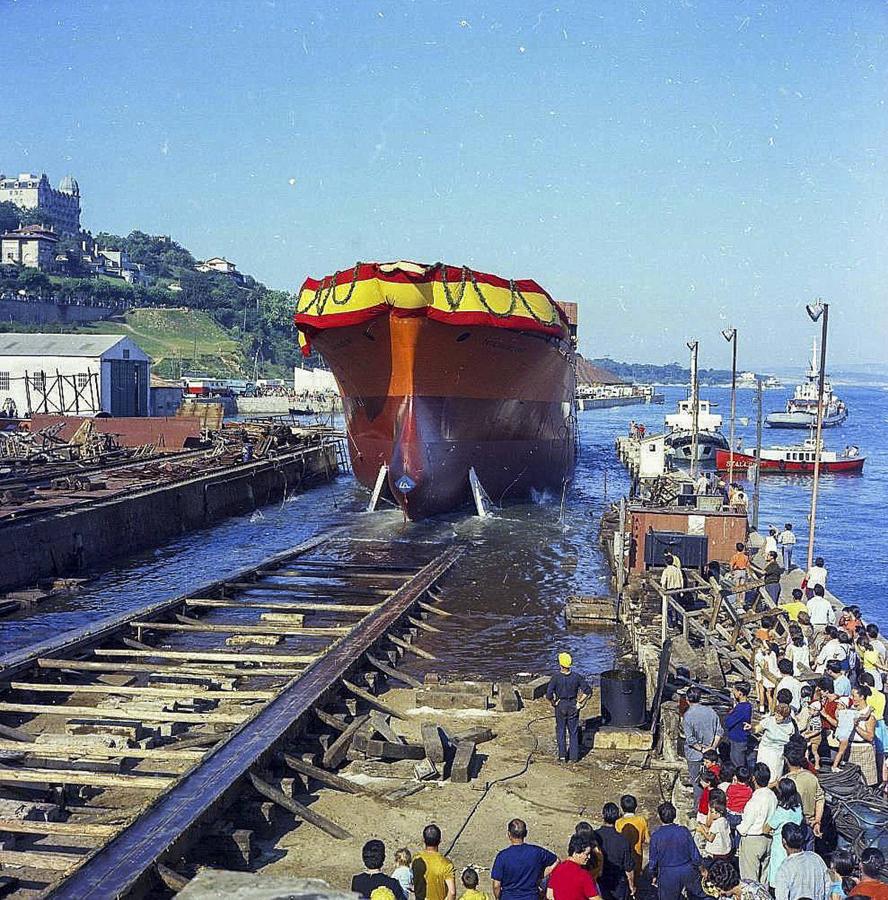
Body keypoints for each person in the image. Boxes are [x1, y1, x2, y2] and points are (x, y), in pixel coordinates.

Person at [646, 801, 704, 900]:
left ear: (660, 817)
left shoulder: (656, 836)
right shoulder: (684, 831)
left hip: (667, 874)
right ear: (675, 815)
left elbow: (653, 862)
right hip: (687, 870)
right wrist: (701, 869)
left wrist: (653, 875)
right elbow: (695, 854)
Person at [491, 819, 558, 900]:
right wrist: (541, 876)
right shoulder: (537, 852)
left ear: (509, 834)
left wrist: (498, 898)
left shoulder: (502, 856)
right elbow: (556, 861)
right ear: (526, 833)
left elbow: (496, 885)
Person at [682, 687, 724, 808]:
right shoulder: (711, 711)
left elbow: (690, 740)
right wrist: (712, 748)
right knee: (714, 783)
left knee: (697, 784)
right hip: (712, 755)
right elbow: (719, 732)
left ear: (687, 699)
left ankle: (699, 810)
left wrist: (702, 749)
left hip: (695, 756)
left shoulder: (688, 716)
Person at [546, 653, 590, 763]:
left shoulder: (556, 678)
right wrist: (580, 702)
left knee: (560, 730)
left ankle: (562, 756)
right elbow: (588, 691)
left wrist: (553, 702)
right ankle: (573, 757)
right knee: (573, 731)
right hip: (573, 705)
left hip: (561, 705)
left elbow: (549, 694)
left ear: (560, 664)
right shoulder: (576, 677)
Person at [737, 762, 777, 883]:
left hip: (753, 839)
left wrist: (738, 827)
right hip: (768, 839)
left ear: (753, 778)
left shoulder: (754, 801)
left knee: (750, 880)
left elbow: (745, 826)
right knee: (764, 878)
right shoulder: (773, 796)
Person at [773, 822, 831, 900]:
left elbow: (781, 897)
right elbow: (828, 887)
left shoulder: (785, 868)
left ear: (784, 841)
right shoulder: (816, 858)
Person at [833, 686, 877, 786]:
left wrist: (855, 726)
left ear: (862, 697)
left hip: (864, 750)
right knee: (851, 782)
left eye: (854, 696)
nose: (852, 698)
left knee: (865, 782)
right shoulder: (851, 710)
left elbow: (870, 736)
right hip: (850, 748)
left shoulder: (870, 716)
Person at [764, 779, 804, 888]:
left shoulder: (781, 812)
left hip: (780, 846)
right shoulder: (798, 808)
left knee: (778, 875)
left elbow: (765, 829)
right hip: (795, 844)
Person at [595, 803, 636, 900]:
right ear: (617, 817)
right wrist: (632, 886)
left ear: (603, 816)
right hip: (618, 883)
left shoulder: (595, 836)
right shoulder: (623, 840)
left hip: (599, 880)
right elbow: (628, 868)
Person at [784, 743, 825, 839]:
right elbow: (820, 799)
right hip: (811, 824)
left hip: (793, 827)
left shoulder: (786, 781)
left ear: (786, 760)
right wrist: (817, 821)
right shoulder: (812, 777)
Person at [546, 835, 599, 900]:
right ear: (576, 853)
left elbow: (549, 895)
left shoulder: (557, 869)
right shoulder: (583, 875)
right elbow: (595, 898)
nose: (589, 857)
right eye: (586, 854)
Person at [752, 703, 795, 779]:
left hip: (778, 753)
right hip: (765, 750)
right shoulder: (769, 720)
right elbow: (757, 729)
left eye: (779, 716)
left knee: (774, 775)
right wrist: (750, 728)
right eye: (776, 714)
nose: (776, 717)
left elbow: (792, 740)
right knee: (761, 773)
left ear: (786, 717)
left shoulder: (790, 726)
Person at [413, 825, 456, 900]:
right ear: (439, 841)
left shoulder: (416, 859)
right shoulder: (446, 864)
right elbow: (452, 892)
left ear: (423, 840)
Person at [701, 858, 771, 900]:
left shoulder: (756, 893)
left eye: (719, 890)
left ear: (727, 886)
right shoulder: (727, 896)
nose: (719, 893)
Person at [615, 795, 649, 880]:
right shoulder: (641, 820)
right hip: (637, 857)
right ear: (636, 807)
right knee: (636, 879)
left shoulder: (618, 823)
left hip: (623, 858)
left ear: (622, 808)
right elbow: (647, 839)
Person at [696, 790, 731, 861]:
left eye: (712, 812)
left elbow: (710, 838)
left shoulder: (716, 823)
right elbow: (713, 831)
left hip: (717, 851)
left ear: (719, 812)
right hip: (725, 849)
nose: (711, 814)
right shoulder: (724, 820)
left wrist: (702, 831)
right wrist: (702, 825)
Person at [724, 682, 753, 768]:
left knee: (737, 763)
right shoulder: (747, 705)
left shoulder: (741, 709)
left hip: (738, 739)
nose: (733, 692)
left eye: (734, 691)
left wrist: (730, 713)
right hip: (739, 738)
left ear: (740, 693)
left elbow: (728, 722)